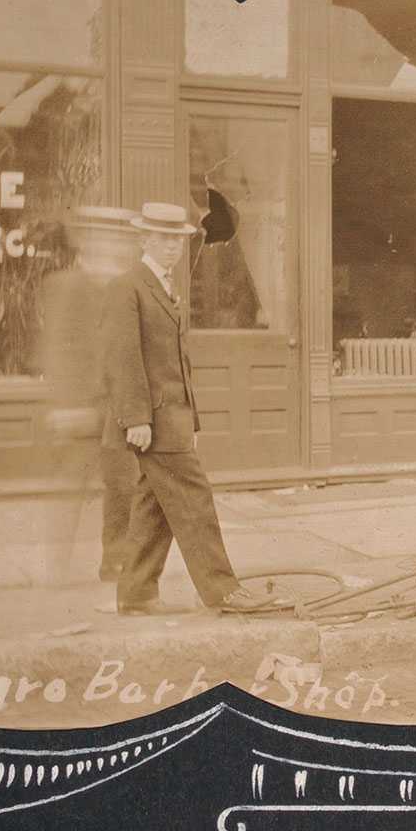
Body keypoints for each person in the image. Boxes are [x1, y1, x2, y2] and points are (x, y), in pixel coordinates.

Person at [99, 201, 281, 616]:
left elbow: (177, 362)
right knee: (194, 499)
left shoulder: (163, 285)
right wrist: (137, 419)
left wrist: (191, 418)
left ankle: (137, 593)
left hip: (173, 419)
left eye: (178, 240)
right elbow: (123, 357)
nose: (172, 248)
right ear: (144, 239)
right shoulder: (127, 287)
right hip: (153, 420)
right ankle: (223, 592)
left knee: (155, 505)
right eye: (163, 239)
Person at [35, 207, 141, 582]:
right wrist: (66, 405)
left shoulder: (128, 290)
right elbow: (57, 350)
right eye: (103, 241)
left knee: (124, 489)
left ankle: (115, 564)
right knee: (70, 491)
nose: (111, 251)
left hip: (118, 412)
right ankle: (54, 571)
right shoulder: (65, 286)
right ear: (87, 243)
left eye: (118, 244)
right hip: (79, 410)